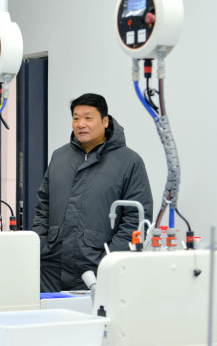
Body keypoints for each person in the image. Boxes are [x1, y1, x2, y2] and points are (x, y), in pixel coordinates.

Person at [32, 93, 153, 292]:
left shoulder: (128, 162)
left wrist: (110, 259)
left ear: (105, 121)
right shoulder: (60, 157)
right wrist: (42, 246)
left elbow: (136, 219)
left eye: (88, 118)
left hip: (98, 268)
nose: (81, 124)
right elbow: (43, 206)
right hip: (52, 269)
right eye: (76, 118)